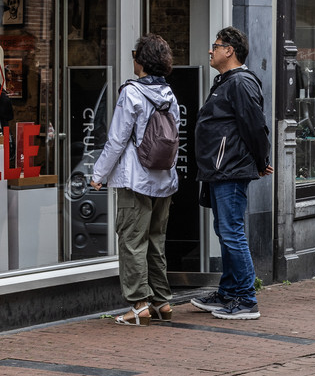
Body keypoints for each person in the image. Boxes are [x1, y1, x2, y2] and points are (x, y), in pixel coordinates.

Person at [89, 34, 180, 325]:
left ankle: (139, 304)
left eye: (134, 54)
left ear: (141, 60)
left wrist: (98, 175)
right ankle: (162, 301)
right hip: (164, 179)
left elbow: (116, 140)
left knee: (131, 240)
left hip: (135, 179)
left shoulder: (132, 93)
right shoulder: (169, 95)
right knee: (156, 241)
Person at [190, 27, 272, 320]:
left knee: (232, 232)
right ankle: (228, 292)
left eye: (216, 45)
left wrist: (262, 159)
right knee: (225, 231)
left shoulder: (240, 83)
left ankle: (247, 299)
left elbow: (255, 125)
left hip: (230, 168)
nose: (210, 51)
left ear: (230, 51)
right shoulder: (226, 81)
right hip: (219, 169)